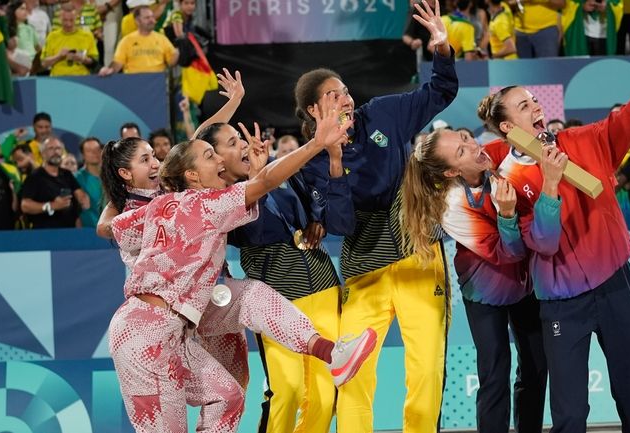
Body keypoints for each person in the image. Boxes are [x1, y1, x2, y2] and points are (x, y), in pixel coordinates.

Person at [107, 95, 375, 432]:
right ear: (192, 175)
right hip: (145, 335)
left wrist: (124, 211)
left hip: (181, 328)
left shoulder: (156, 208)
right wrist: (316, 144)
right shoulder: (206, 204)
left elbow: (114, 229)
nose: (219, 159)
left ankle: (331, 353)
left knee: (227, 394)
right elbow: (263, 183)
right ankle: (330, 353)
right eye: (210, 156)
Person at [474, 31, 630, 433]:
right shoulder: (507, 181)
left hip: (616, 286)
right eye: (524, 105)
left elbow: (629, 116)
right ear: (506, 125)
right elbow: (541, 244)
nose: (535, 106)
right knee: (569, 415)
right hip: (561, 304)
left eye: (534, 100)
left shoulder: (582, 141)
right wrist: (548, 188)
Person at [295, 2, 457, 432]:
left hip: (418, 255)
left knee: (425, 370)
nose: (347, 98)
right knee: (353, 377)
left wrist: (441, 47)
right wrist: (332, 159)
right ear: (314, 111)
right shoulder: (309, 163)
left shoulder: (382, 114)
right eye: (334, 96)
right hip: (364, 268)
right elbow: (342, 224)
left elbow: (439, 92)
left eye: (346, 91)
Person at [400, 129, 567, 432]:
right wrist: (506, 214)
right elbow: (511, 252)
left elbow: (522, 148)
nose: (472, 146)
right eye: (461, 152)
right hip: (485, 292)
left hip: (524, 285)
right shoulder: (451, 205)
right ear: (452, 171)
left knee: (536, 366)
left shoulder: (496, 162)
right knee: (494, 371)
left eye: (465, 137)